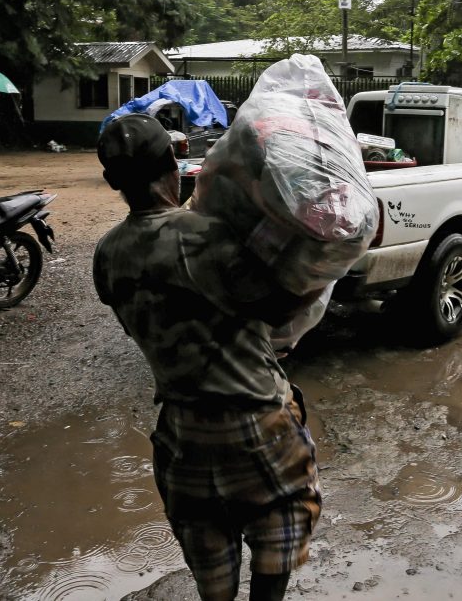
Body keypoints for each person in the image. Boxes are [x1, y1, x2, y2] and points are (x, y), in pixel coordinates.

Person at [92, 113, 322, 601]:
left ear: (113, 182)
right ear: (174, 166)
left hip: (181, 439)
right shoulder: (206, 236)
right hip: (256, 427)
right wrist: (325, 265)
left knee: (211, 572)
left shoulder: (107, 254)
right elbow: (280, 305)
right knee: (276, 536)